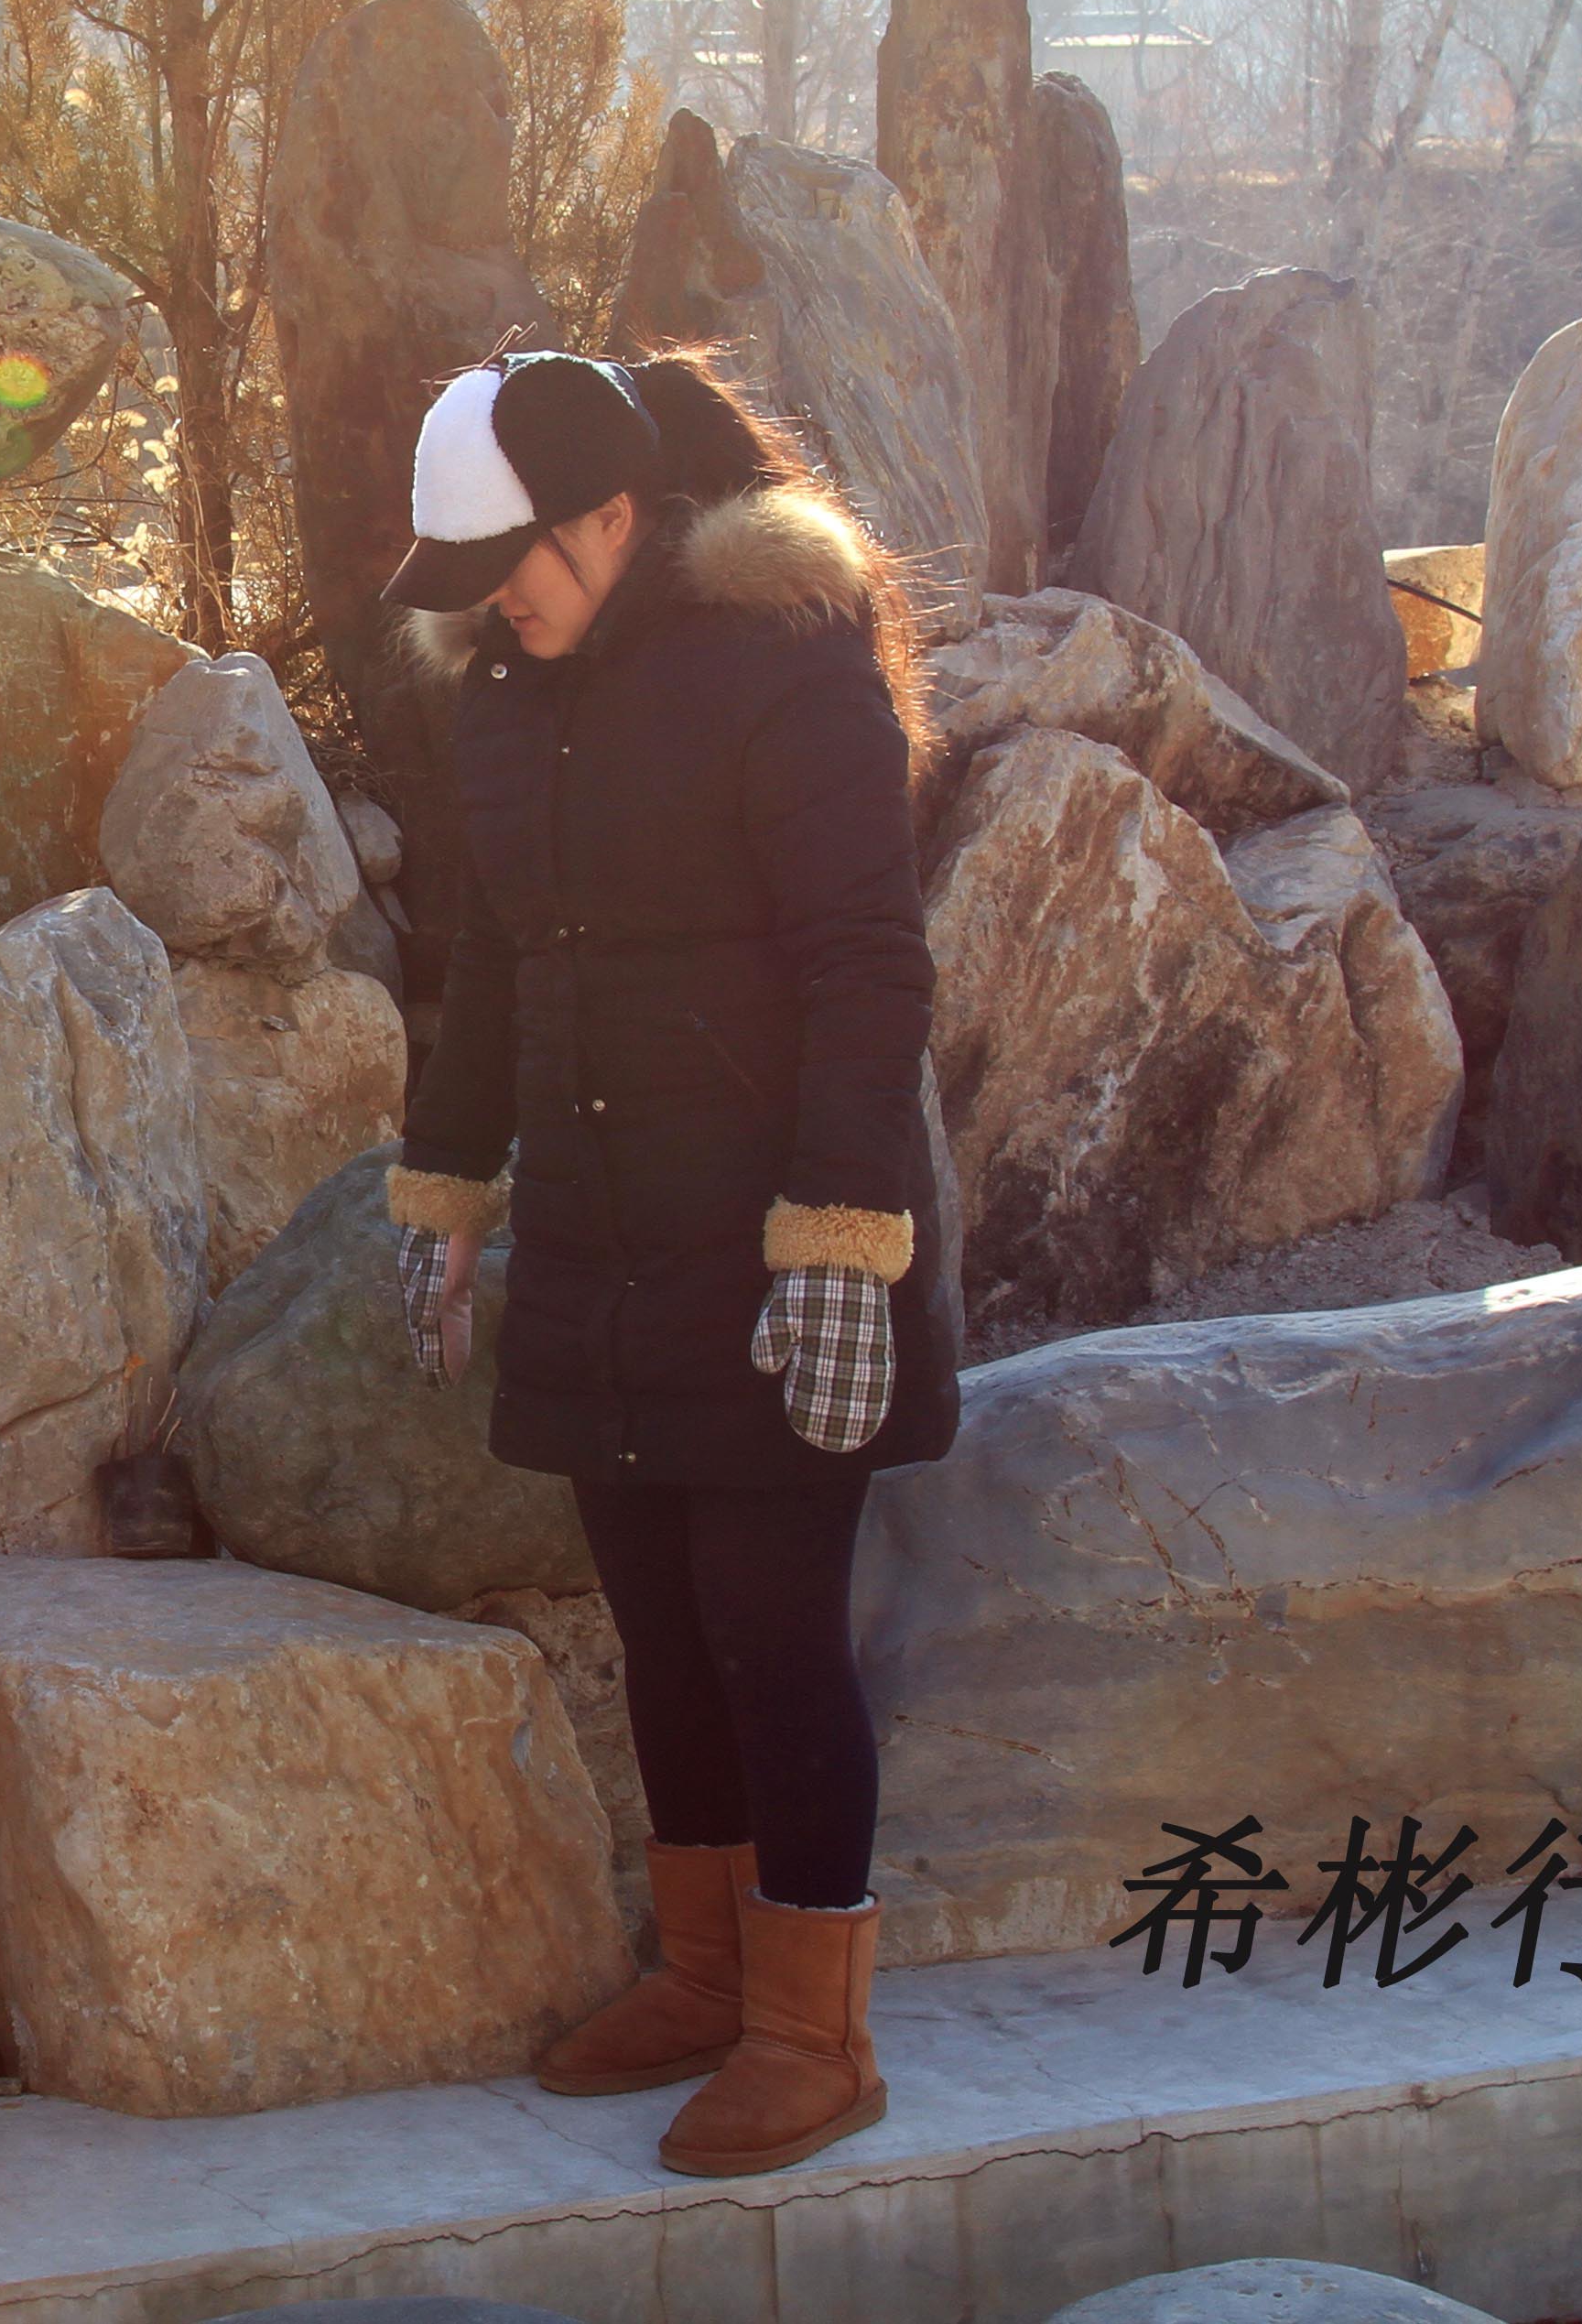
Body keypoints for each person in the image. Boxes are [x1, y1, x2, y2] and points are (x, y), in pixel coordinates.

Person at [377, 345, 953, 2181]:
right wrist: (446, 1192)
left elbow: (870, 961)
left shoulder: (780, 663)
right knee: (657, 1632)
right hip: (605, 1243)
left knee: (773, 1629)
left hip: (775, 1238)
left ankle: (815, 2034)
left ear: (610, 515)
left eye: (517, 566)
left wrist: (841, 1251)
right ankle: (704, 1979)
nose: (497, 608)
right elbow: (489, 958)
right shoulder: (501, 699)